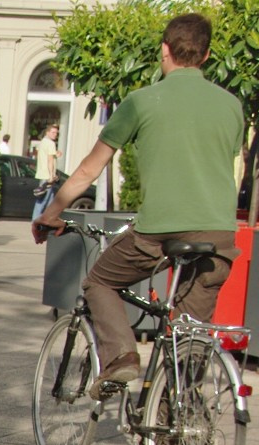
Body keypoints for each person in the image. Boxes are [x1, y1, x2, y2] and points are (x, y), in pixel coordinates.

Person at [34, 13, 243, 395]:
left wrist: (52, 213)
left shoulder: (142, 102)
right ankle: (173, 437)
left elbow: (87, 170)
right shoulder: (231, 106)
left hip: (160, 231)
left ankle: (122, 357)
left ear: (164, 49)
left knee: (100, 282)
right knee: (188, 337)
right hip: (218, 235)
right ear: (208, 55)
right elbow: (229, 167)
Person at [31, 124, 61, 219]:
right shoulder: (51, 143)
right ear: (47, 132)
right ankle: (35, 221)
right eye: (53, 132)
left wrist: (55, 154)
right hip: (47, 176)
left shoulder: (43, 142)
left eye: (56, 133)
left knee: (50, 201)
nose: (55, 134)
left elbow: (44, 155)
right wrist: (51, 175)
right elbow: (50, 160)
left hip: (42, 173)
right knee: (42, 201)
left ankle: (47, 220)